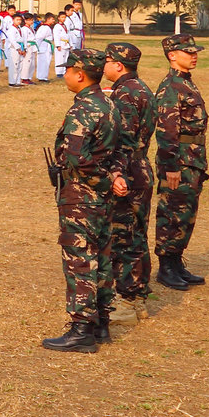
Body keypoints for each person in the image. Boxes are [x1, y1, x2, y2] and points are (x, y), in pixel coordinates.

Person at [41, 49, 130, 353]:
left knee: (80, 260)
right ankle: (101, 323)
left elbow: (77, 158)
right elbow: (120, 149)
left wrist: (106, 179)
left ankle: (81, 329)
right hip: (102, 198)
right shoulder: (110, 104)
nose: (65, 74)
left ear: (79, 74)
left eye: (67, 69)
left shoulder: (82, 110)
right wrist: (115, 177)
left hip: (81, 196)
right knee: (102, 258)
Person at [153, 34, 209, 291]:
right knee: (172, 212)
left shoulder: (186, 83)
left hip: (192, 158)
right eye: (188, 52)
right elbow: (166, 130)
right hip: (179, 160)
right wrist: (170, 167)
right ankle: (166, 267)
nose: (194, 55)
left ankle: (176, 262)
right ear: (172, 55)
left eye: (195, 51)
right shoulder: (170, 87)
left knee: (186, 212)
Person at [102, 42, 155, 310]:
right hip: (140, 165)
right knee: (136, 232)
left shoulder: (125, 95)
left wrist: (115, 173)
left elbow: (122, 139)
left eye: (107, 61)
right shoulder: (139, 87)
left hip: (128, 170)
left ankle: (128, 298)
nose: (103, 66)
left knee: (124, 235)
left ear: (118, 65)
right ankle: (138, 292)